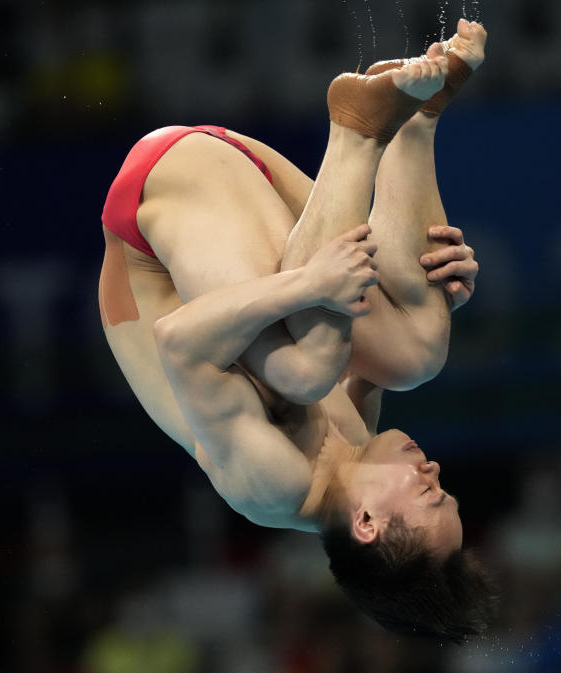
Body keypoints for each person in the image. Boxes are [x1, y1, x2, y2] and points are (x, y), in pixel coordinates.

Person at [99, 19, 495, 642]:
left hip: (156, 208)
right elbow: (376, 313)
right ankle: (413, 124)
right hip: (243, 185)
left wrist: (309, 287)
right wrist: (442, 289)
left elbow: (181, 342)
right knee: (419, 352)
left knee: (304, 368)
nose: (434, 470)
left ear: (366, 524)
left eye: (429, 496)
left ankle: (358, 132)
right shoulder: (357, 440)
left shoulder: (272, 487)